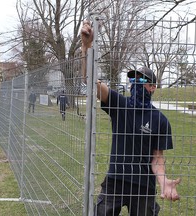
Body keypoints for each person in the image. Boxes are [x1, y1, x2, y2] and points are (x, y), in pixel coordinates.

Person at [81, 20, 181, 216]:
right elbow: (90, 81)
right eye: (133, 79)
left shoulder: (160, 120)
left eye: (142, 80)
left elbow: (157, 158)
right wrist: (87, 48)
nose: (136, 82)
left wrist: (163, 181)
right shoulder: (120, 104)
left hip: (143, 186)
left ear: (152, 87)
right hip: (115, 180)